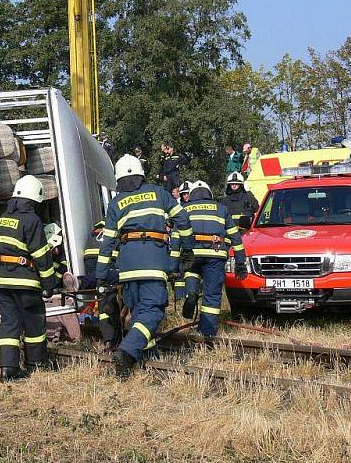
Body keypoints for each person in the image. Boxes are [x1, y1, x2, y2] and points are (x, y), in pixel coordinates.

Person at [95, 154, 193, 378]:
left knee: (140, 313)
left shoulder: (116, 203)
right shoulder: (159, 193)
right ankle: (127, 351)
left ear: (118, 179)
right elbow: (183, 221)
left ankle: (144, 357)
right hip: (153, 259)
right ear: (141, 174)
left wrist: (101, 275)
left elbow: (108, 242)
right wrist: (187, 249)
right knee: (153, 311)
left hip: (127, 266)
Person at [0, 175, 55, 382]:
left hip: (0, 281)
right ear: (34, 199)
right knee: (34, 321)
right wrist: (49, 283)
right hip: (23, 281)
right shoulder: (32, 220)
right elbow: (41, 254)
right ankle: (36, 362)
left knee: (9, 324)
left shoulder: (4, 218)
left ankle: (7, 369)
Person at [181, 181, 247, 337]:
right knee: (212, 295)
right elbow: (235, 237)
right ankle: (207, 332)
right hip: (216, 254)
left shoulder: (185, 209)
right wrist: (240, 262)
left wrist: (175, 260)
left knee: (191, 273)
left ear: (191, 195)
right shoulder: (221, 209)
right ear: (209, 194)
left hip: (193, 253)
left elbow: (177, 235)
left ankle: (191, 294)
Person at [82, 220, 121, 350]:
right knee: (112, 278)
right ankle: (114, 339)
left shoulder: (96, 228)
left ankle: (81, 282)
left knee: (101, 290)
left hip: (90, 259)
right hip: (108, 259)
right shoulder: (120, 227)